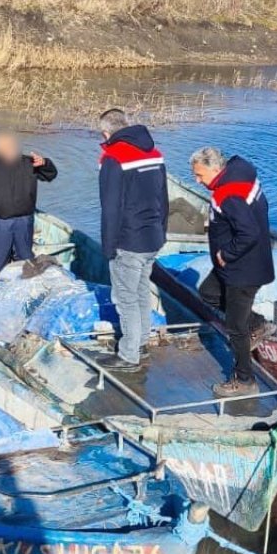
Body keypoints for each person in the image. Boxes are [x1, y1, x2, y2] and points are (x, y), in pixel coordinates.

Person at [189, 146, 275, 398]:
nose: (197, 180)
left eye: (200, 175)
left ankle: (244, 379)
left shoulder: (229, 194)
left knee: (235, 326)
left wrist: (226, 254)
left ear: (215, 169)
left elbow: (249, 232)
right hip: (238, 264)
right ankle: (257, 322)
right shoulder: (241, 173)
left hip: (242, 269)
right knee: (208, 292)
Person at [97, 109, 168, 371]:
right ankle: (139, 344)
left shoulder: (113, 158)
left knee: (125, 297)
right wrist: (162, 231)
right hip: (153, 237)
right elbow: (164, 195)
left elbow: (111, 207)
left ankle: (128, 356)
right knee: (141, 292)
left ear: (106, 133)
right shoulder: (154, 153)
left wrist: (108, 246)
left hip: (128, 239)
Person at [0, 132, 57, 279]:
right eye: (6, 147)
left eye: (13, 147)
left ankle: (24, 292)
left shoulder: (30, 163)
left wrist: (45, 163)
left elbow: (50, 175)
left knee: (25, 259)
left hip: (24, 221)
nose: (10, 150)